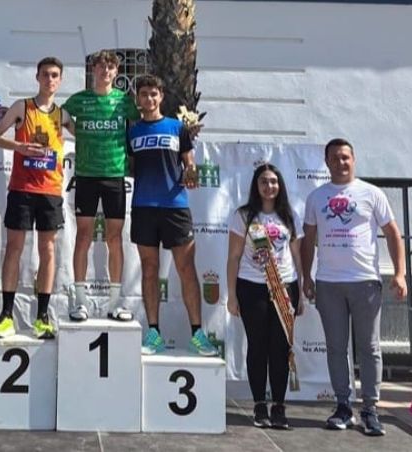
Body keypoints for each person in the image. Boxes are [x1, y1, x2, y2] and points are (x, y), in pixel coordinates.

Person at [301, 138, 407, 436]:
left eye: (345, 157)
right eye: (335, 158)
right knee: (336, 348)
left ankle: (370, 409)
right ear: (327, 162)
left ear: (354, 159)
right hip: (329, 284)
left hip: (365, 282)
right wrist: (307, 276)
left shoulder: (371, 193)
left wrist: (400, 274)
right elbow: (308, 239)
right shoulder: (316, 197)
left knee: (369, 347)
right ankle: (343, 406)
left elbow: (393, 233)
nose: (341, 162)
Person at [127, 74, 217, 356]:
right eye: (144, 94)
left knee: (186, 269)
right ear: (138, 98)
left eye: (153, 93)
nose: (149, 98)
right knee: (149, 269)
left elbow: (189, 163)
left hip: (175, 206)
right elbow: (128, 165)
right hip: (143, 206)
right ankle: (153, 333)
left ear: (161, 97)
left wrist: (191, 173)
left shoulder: (177, 128)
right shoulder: (131, 131)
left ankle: (197, 334)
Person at [0, 56, 70, 339]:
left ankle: (42, 316)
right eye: (45, 74)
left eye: (55, 75)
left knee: (48, 251)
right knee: (14, 248)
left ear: (60, 80)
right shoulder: (22, 106)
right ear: (37, 77)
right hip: (22, 188)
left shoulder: (63, 114)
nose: (50, 79)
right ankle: (6, 315)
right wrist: (19, 147)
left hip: (51, 190)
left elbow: (85, 135)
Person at [61, 49, 140, 322]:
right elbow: (59, 118)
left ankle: (115, 303)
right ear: (93, 70)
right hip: (85, 175)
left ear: (116, 72)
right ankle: (80, 302)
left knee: (114, 239)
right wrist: (77, 132)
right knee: (83, 236)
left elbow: (139, 125)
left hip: (114, 175)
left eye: (110, 68)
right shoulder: (79, 99)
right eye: (101, 67)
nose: (105, 71)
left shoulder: (124, 101)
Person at [227, 164, 304, 429]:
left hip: (285, 287)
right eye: (263, 181)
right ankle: (260, 404)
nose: (269, 186)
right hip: (252, 287)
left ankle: (279, 406)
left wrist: (301, 292)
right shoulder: (244, 215)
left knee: (281, 348)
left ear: (279, 185)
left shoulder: (289, 216)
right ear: (256, 185)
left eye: (273, 181)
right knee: (258, 346)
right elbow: (234, 256)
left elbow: (297, 256)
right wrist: (232, 295)